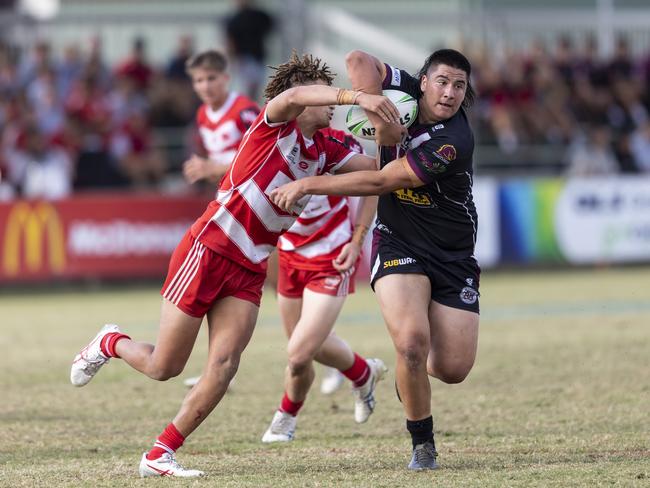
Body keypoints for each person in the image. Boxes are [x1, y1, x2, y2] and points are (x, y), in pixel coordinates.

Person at [70, 51, 398, 478]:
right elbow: (298, 93)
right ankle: (109, 342)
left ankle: (160, 453)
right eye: (326, 99)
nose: (332, 106)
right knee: (164, 367)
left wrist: (387, 125)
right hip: (208, 251)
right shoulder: (272, 124)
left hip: (250, 266)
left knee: (224, 366)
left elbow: (378, 175)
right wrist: (357, 96)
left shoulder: (327, 148)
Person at [270, 48, 480, 471]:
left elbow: (383, 180)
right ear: (422, 81)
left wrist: (311, 183)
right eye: (442, 81)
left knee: (452, 368)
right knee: (411, 345)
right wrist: (369, 101)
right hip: (398, 242)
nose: (450, 92)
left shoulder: (452, 141)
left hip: (452, 254)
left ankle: (410, 374)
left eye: (459, 85)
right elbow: (357, 58)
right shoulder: (399, 88)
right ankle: (423, 444)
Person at [262, 127, 386, 443]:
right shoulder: (273, 140)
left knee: (298, 353)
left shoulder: (341, 143)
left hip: (332, 254)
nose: (328, 105)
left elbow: (374, 181)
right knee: (305, 352)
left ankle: (285, 417)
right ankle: (363, 373)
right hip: (289, 255)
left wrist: (358, 240)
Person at [182, 49, 260, 185]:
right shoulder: (201, 114)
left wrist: (213, 169)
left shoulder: (245, 110)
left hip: (252, 190)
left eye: (211, 78)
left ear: (225, 78)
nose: (206, 86)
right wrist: (200, 168)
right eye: (199, 80)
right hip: (226, 191)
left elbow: (261, 158)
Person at [223, 0, 274, 100]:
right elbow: (230, 43)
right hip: (245, 58)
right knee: (248, 89)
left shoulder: (258, 16)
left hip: (255, 57)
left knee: (252, 89)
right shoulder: (234, 19)